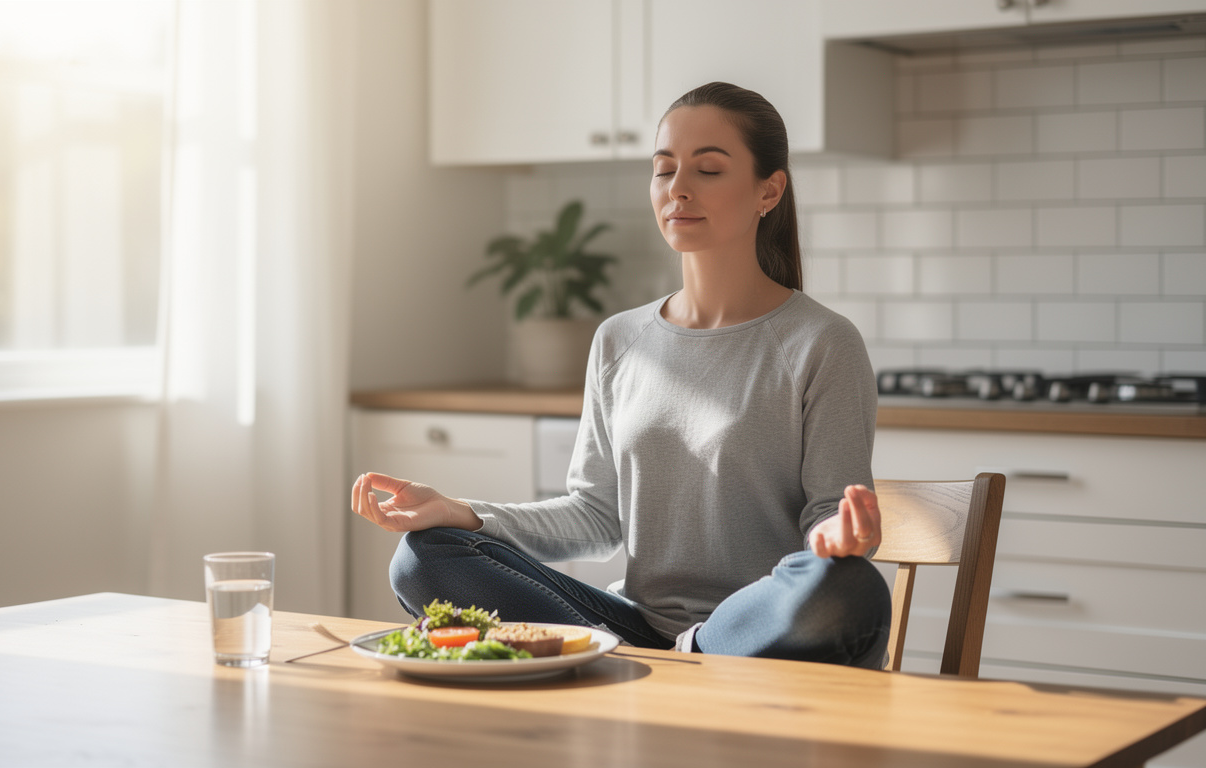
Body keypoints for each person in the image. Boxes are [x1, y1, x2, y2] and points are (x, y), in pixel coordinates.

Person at [351, 81, 891, 667]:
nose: (678, 188)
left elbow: (829, 515)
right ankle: (639, 660)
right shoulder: (619, 338)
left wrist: (835, 541)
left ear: (770, 190)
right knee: (423, 556)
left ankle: (673, 659)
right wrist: (462, 512)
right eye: (664, 170)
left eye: (708, 169)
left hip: (752, 628)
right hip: (632, 624)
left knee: (851, 589)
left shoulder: (822, 342)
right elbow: (595, 516)